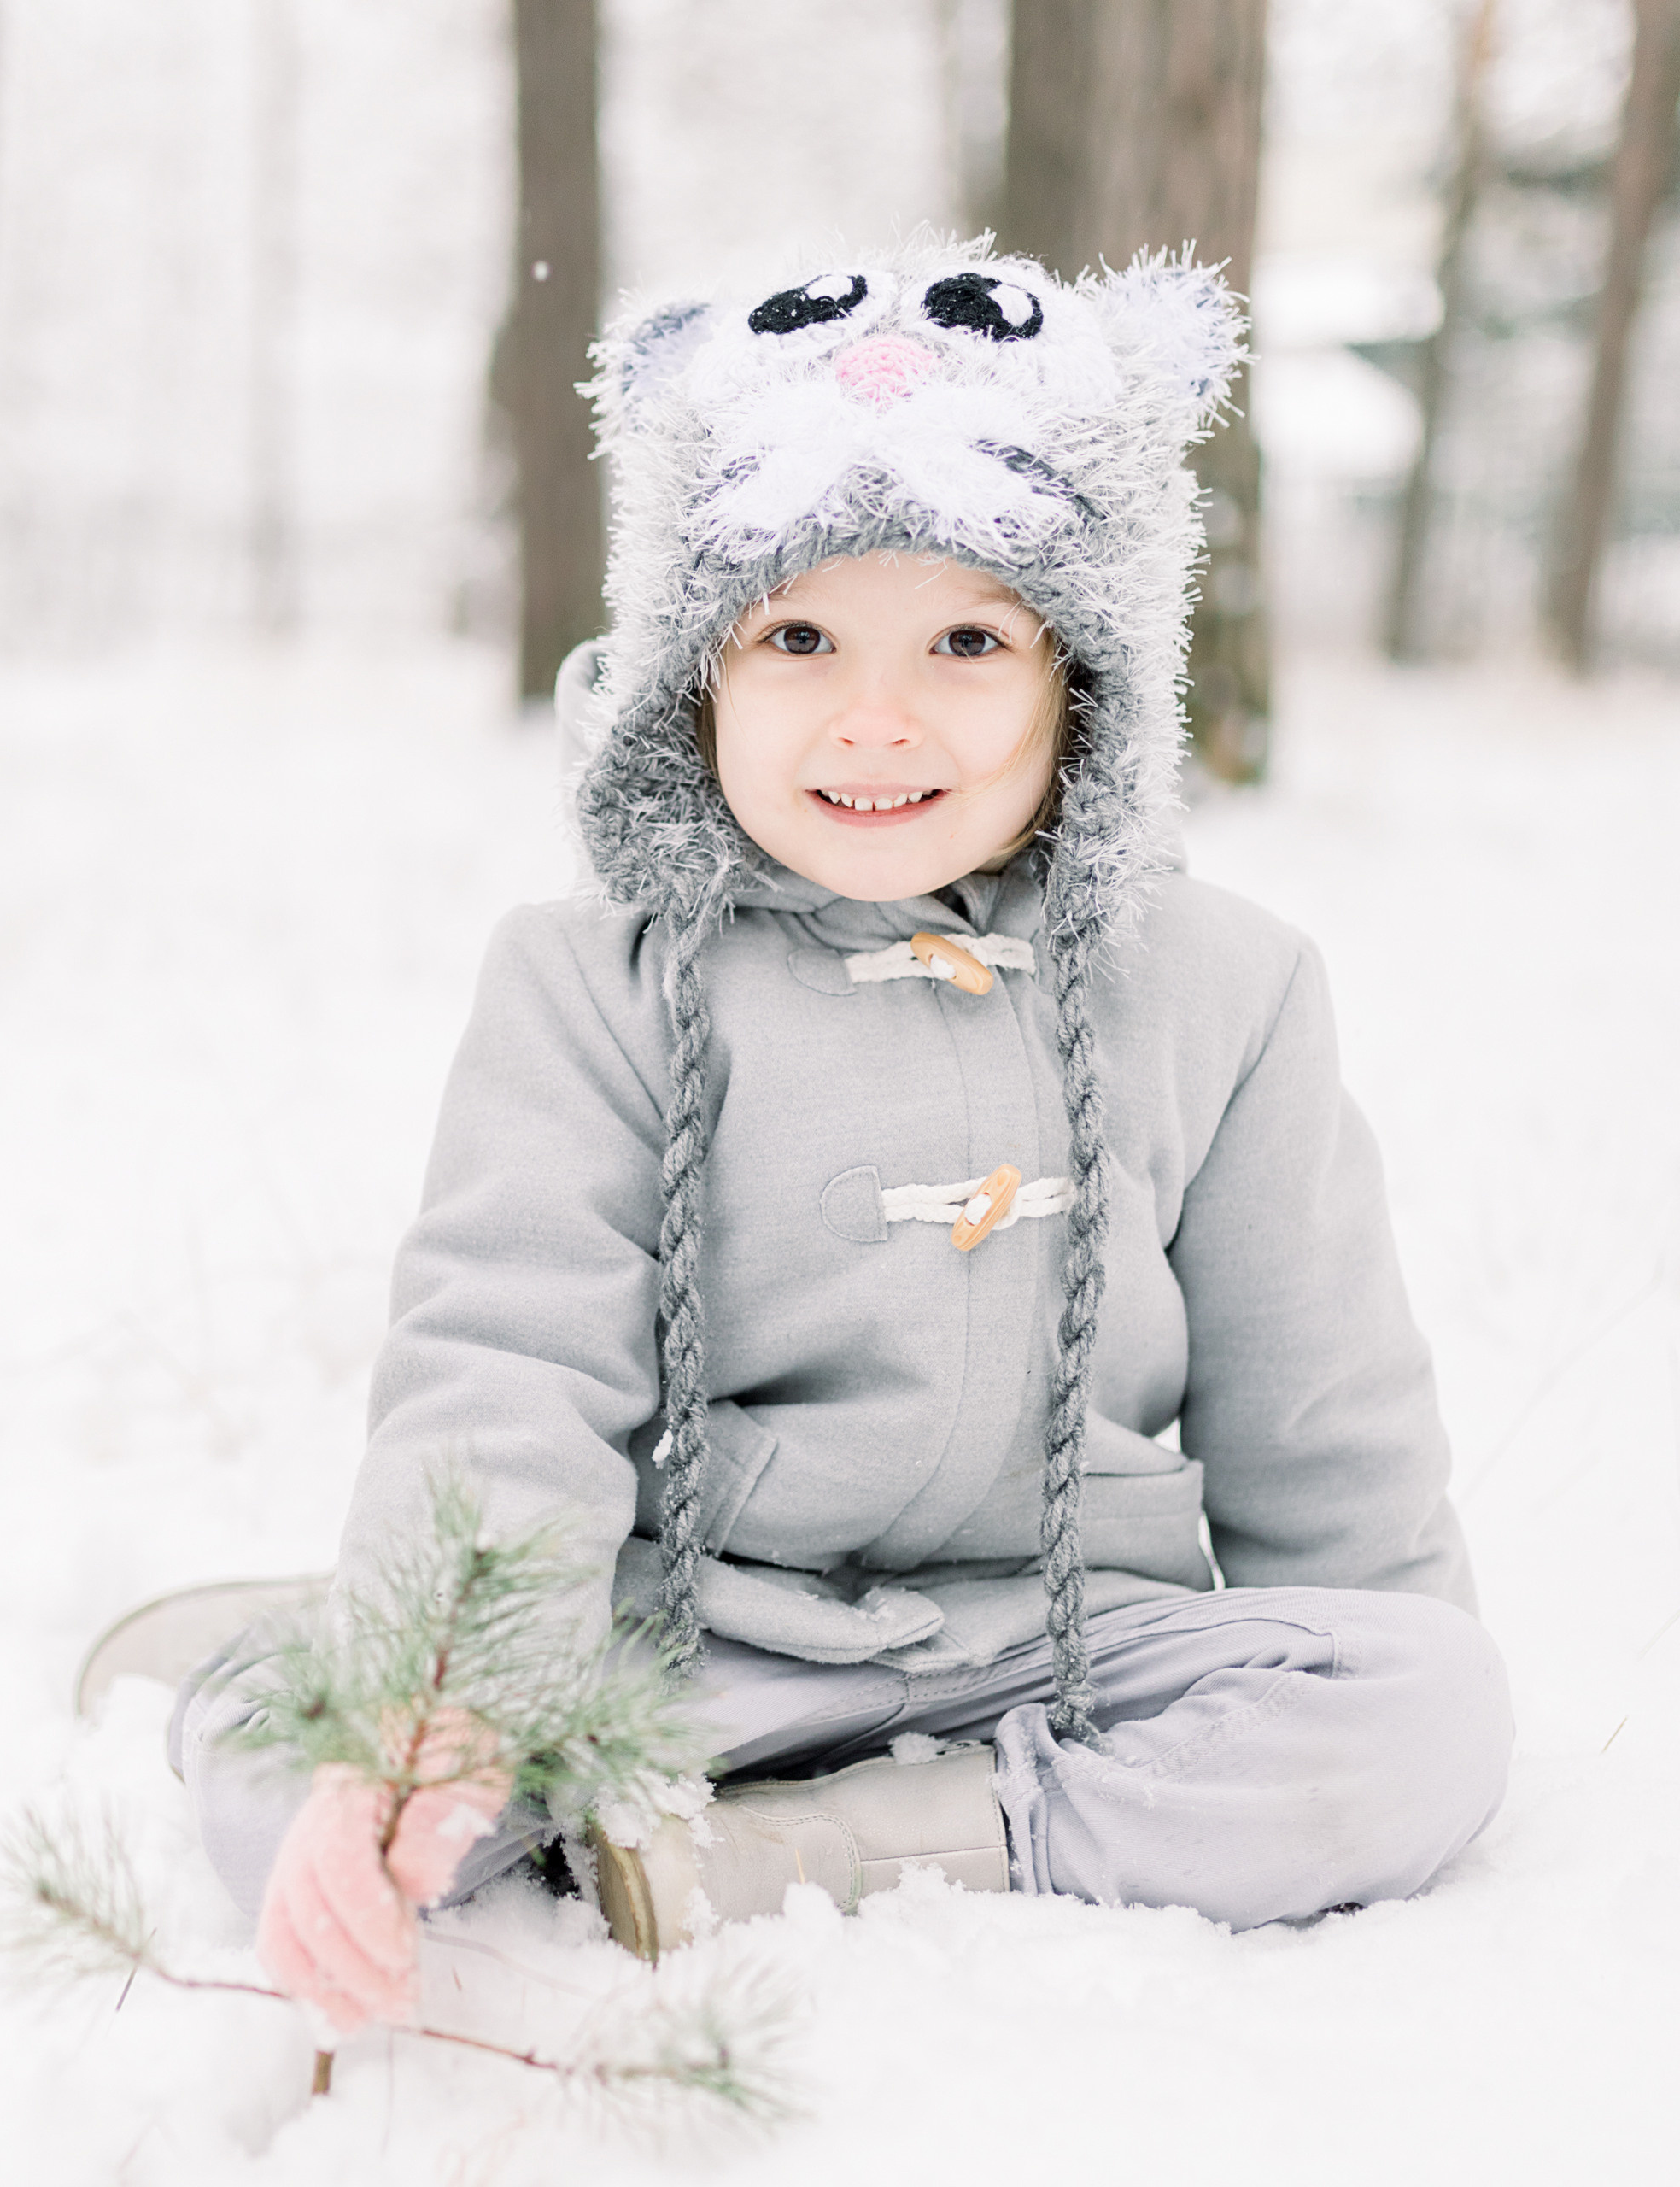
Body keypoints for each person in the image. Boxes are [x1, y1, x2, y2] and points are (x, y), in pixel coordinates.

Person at [169, 239, 1513, 2035]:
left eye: (965, 639)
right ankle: (405, 1661)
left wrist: (1393, 1684)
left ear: (1081, 685)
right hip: (694, 1637)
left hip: (1059, 1653)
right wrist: (443, 1697)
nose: (873, 716)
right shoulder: (595, 981)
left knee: (1422, 1708)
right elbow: (505, 1354)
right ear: (692, 674)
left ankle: (874, 1842)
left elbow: (1321, 1410)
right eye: (795, 635)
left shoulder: (1223, 985)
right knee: (287, 1756)